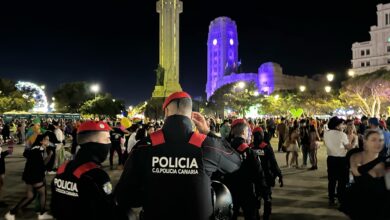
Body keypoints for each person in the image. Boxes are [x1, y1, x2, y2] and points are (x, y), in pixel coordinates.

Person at [114, 91, 241, 220]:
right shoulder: (207, 145)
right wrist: (208, 132)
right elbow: (235, 162)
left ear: (166, 112)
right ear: (191, 115)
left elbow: (124, 196)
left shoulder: (145, 146)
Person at [50, 121, 116, 220]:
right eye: (107, 139)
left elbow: (55, 206)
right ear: (94, 144)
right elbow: (107, 210)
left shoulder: (63, 168)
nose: (110, 143)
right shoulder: (96, 174)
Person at [222, 119, 267, 220]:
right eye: (248, 131)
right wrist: (263, 193)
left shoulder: (224, 149)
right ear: (243, 132)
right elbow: (259, 175)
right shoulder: (250, 152)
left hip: (229, 192)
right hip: (247, 192)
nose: (249, 134)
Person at [342, 129, 390, 220]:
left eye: (380, 140)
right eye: (373, 140)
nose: (378, 143)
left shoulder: (385, 161)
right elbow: (357, 172)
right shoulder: (356, 155)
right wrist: (379, 160)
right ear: (365, 141)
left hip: (382, 205)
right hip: (361, 203)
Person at [5, 134, 53, 220]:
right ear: (41, 141)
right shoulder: (37, 151)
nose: (48, 141)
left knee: (30, 196)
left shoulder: (38, 149)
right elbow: (41, 165)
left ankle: (12, 212)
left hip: (29, 175)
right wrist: (49, 156)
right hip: (34, 176)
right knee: (42, 193)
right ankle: (42, 213)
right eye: (46, 140)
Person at [251, 127, 283, 220]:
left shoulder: (249, 147)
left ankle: (256, 215)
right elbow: (273, 163)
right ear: (261, 135)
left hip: (254, 178)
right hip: (266, 178)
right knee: (267, 198)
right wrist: (279, 175)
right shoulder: (266, 147)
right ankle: (266, 216)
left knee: (256, 197)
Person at [323, 116, 351, 207]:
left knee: (332, 180)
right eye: (341, 124)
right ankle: (340, 198)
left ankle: (331, 199)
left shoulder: (326, 133)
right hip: (341, 159)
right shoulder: (342, 135)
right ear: (336, 125)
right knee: (342, 180)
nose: (343, 126)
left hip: (331, 159)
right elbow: (348, 147)